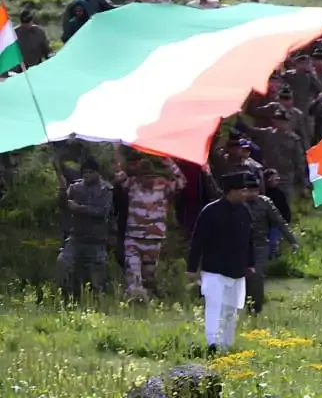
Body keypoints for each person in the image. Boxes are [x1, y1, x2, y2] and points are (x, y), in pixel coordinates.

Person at [186, 171, 255, 355]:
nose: (244, 194)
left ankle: (226, 344)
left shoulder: (244, 211)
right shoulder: (210, 211)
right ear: (230, 191)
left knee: (231, 309)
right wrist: (192, 267)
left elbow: (249, 239)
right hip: (214, 269)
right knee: (215, 306)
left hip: (237, 269)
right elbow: (198, 240)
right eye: (241, 190)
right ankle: (212, 344)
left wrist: (250, 263)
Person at [116, 149, 187, 300]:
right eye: (145, 177)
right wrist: (116, 150)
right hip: (133, 239)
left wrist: (168, 160)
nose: (149, 180)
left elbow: (182, 181)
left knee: (149, 276)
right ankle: (134, 301)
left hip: (153, 238)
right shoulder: (132, 185)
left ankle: (146, 303)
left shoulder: (163, 185)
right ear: (139, 176)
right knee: (133, 273)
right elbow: (117, 172)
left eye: (151, 176)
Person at [56, 156, 113, 301]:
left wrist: (79, 209)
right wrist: (62, 190)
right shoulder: (75, 187)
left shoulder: (105, 190)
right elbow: (62, 206)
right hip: (76, 237)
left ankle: (97, 308)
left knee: (96, 280)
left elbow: (102, 212)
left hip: (96, 240)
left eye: (90, 172)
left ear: (97, 173)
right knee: (64, 263)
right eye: (85, 172)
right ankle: (67, 301)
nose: (87, 175)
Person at [243, 173, 298, 315]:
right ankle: (244, 306)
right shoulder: (238, 203)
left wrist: (292, 241)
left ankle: (256, 309)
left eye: (254, 190)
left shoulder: (265, 203)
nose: (252, 194)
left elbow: (279, 222)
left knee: (257, 276)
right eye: (248, 190)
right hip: (240, 245)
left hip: (260, 244)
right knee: (242, 278)